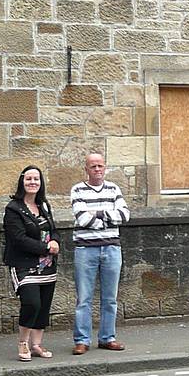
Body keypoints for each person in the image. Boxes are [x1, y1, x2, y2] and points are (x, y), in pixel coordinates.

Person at [70, 152, 130, 355]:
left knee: (110, 297)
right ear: (86, 169)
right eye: (93, 166)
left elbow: (124, 215)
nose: (97, 169)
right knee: (84, 298)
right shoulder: (77, 189)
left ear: (105, 168)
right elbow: (81, 218)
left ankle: (107, 338)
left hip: (112, 248)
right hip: (85, 249)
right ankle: (82, 340)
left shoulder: (114, 189)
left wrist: (96, 214)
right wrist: (107, 217)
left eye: (100, 166)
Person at [3, 166, 61, 361]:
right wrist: (46, 248)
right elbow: (18, 238)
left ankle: (36, 345)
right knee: (31, 303)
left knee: (43, 305)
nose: (33, 182)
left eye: (36, 179)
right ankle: (23, 343)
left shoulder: (44, 205)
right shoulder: (13, 208)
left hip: (47, 265)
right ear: (22, 181)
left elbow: (54, 229)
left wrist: (55, 241)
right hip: (23, 265)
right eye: (29, 179)